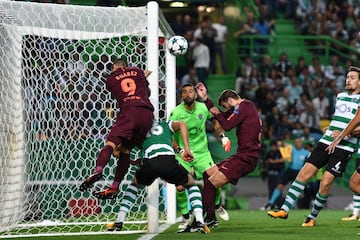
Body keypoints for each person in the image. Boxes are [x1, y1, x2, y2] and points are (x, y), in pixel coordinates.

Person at [267, 66, 360, 227]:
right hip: (325, 141)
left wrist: (345, 134)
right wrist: (330, 128)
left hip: (344, 148)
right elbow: (339, 118)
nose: (348, 80)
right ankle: (284, 209)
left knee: (325, 182)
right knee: (304, 173)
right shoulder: (340, 96)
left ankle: (312, 216)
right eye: (347, 77)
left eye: (352, 77)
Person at [106, 120, 210, 234]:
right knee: (190, 183)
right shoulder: (166, 124)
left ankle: (120, 220)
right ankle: (199, 220)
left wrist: (132, 161)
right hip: (168, 161)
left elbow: (116, 152)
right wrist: (186, 150)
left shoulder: (138, 130)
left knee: (135, 184)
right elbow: (182, 124)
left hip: (149, 163)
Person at [79, 58, 154, 199]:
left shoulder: (111, 78)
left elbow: (119, 92)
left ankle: (98, 170)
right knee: (126, 149)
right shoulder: (138, 71)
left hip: (129, 112)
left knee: (111, 144)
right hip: (147, 114)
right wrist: (143, 77)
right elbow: (147, 93)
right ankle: (114, 187)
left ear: (114, 67)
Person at [195, 82, 262, 226]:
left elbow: (226, 125)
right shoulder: (244, 109)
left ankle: (210, 218)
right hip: (243, 156)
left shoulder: (244, 106)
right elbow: (218, 114)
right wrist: (206, 98)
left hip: (246, 157)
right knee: (207, 174)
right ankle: (212, 215)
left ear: (230, 100)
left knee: (210, 185)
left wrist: (219, 115)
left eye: (226, 106)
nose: (226, 109)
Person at [169, 83, 230, 230]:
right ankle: (185, 215)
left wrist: (222, 137)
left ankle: (216, 204)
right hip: (183, 154)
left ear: (195, 95)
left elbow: (215, 120)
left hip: (202, 153)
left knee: (217, 179)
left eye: (191, 92)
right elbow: (170, 136)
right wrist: (179, 152)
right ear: (181, 96)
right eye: (185, 92)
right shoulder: (176, 113)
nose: (188, 94)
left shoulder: (202, 108)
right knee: (179, 187)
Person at [261, 138, 309, 210]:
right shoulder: (291, 148)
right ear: (295, 143)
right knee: (280, 186)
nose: (298, 144)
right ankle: (270, 203)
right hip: (289, 171)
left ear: (301, 143)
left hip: (298, 172)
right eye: (296, 142)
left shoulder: (306, 152)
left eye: (299, 142)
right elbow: (283, 144)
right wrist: (280, 143)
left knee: (295, 189)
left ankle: (292, 206)